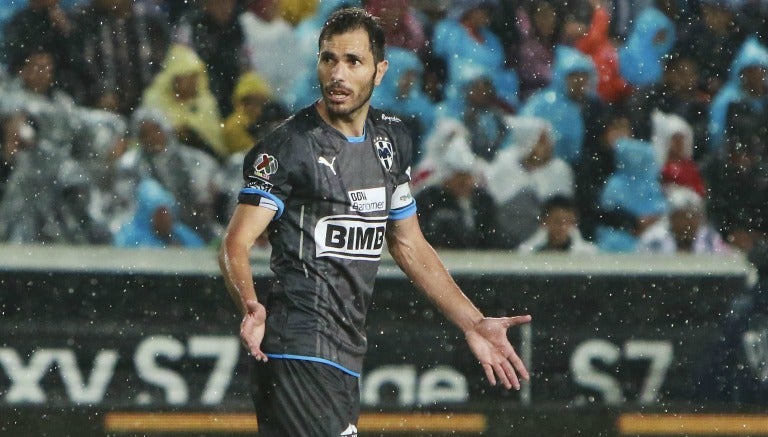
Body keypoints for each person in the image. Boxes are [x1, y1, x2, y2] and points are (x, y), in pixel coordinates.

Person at [217, 8, 531, 436]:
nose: (338, 74)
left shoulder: (391, 140)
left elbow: (407, 244)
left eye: (353, 61)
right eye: (329, 59)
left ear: (379, 71)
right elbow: (235, 244)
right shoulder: (288, 148)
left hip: (344, 355)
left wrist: (473, 322)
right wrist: (250, 305)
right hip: (299, 348)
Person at [517, 194, 597, 254]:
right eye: (557, 221)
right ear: (544, 222)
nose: (563, 227)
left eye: (569, 222)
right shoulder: (527, 251)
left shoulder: (588, 252)